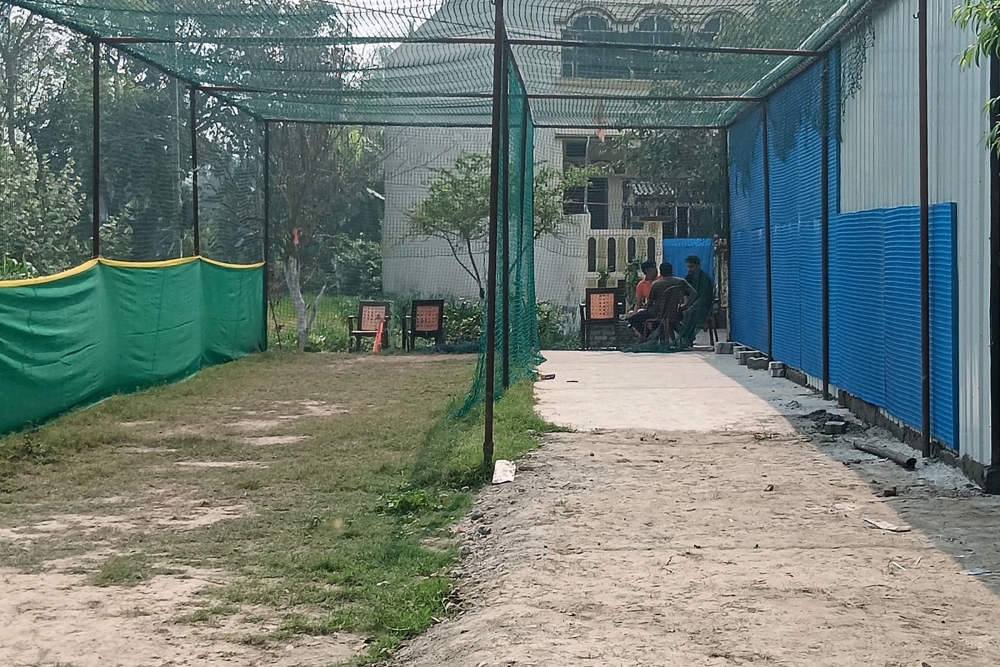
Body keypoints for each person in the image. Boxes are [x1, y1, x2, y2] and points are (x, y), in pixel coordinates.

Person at [645, 262, 695, 342]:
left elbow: (650, 302)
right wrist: (685, 306)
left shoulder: (657, 284)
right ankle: (685, 335)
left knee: (637, 318)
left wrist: (646, 310)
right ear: (672, 271)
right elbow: (693, 294)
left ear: (661, 272)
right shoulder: (680, 281)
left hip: (658, 314)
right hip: (676, 312)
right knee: (671, 320)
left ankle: (648, 338)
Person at [676, 255, 715, 347]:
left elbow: (703, 298)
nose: (689, 269)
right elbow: (684, 293)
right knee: (674, 314)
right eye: (688, 267)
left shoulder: (704, 279)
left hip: (703, 308)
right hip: (691, 306)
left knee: (691, 312)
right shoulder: (689, 278)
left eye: (692, 267)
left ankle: (686, 337)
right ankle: (685, 336)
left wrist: (690, 307)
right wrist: (684, 305)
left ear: (698, 266)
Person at [626, 261, 659, 336]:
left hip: (659, 309)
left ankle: (646, 335)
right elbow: (639, 303)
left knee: (645, 315)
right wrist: (634, 314)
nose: (656, 270)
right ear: (647, 271)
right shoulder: (641, 285)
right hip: (650, 309)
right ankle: (644, 335)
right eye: (653, 268)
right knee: (632, 315)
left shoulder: (661, 280)